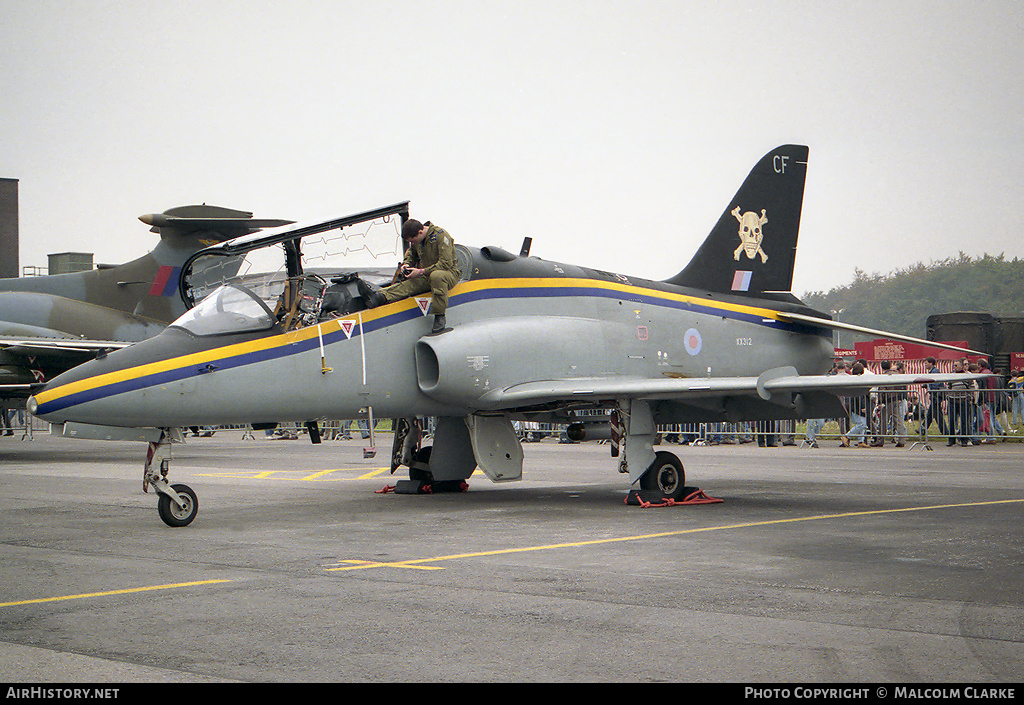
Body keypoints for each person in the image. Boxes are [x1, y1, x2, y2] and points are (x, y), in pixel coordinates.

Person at [364, 219, 461, 334]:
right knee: (410, 285)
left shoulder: (441, 236)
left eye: (413, 240)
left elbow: (445, 264)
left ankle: (440, 316)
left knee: (436, 276)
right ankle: (380, 297)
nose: (413, 243)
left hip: (448, 274)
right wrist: (407, 264)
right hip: (427, 273)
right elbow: (412, 254)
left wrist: (420, 271)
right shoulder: (418, 241)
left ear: (420, 232)